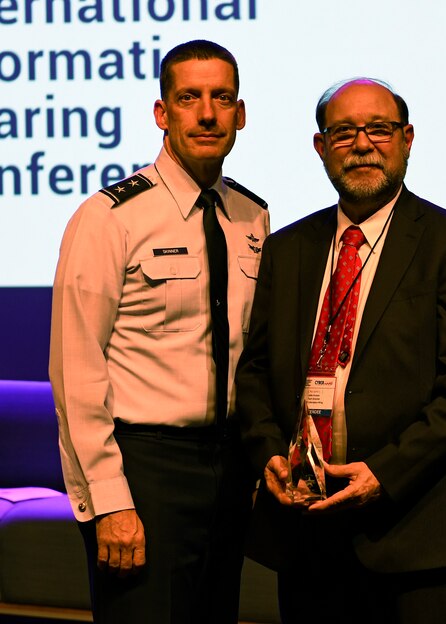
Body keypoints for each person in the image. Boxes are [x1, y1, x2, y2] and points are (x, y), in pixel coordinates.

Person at [234, 78, 446, 623]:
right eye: (343, 132)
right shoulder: (288, 248)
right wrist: (267, 454)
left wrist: (384, 473)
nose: (362, 144)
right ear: (320, 146)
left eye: (378, 129)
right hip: (309, 537)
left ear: (406, 139)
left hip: (416, 535)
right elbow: (256, 370)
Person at [49, 40, 269, 623]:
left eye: (222, 98)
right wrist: (108, 502)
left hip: (228, 470)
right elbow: (76, 370)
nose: (207, 113)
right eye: (189, 98)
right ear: (161, 113)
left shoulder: (252, 216)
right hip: (144, 471)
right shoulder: (108, 217)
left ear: (240, 114)